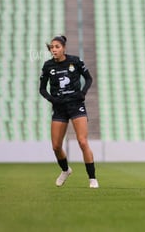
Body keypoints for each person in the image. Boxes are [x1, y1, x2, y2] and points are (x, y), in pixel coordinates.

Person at [39, 35, 99, 188]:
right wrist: (52, 99)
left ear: (64, 48)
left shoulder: (75, 61)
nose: (54, 50)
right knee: (56, 146)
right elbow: (42, 89)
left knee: (82, 141)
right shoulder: (48, 66)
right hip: (59, 108)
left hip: (76, 105)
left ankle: (92, 178)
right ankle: (65, 170)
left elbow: (89, 78)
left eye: (57, 47)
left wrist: (83, 92)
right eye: (52, 47)